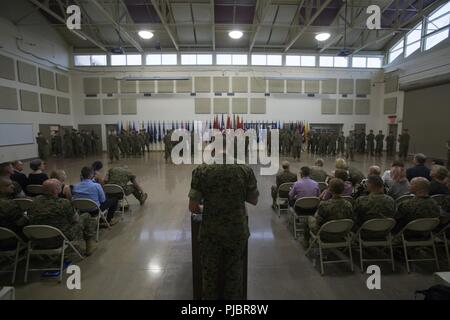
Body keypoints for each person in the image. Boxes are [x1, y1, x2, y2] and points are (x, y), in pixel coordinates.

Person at [188, 154, 259, 300]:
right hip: (236, 231)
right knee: (234, 276)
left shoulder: (201, 171)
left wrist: (206, 208)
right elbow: (253, 200)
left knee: (209, 277)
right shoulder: (245, 170)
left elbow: (193, 207)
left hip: (210, 233)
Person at [28, 179, 97, 255]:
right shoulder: (63, 203)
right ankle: (89, 246)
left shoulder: (33, 202)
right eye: (60, 186)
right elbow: (75, 220)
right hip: (60, 239)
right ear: (56, 191)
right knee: (86, 216)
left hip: (37, 240)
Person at [303, 178, 354, 245]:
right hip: (343, 234)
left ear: (329, 189)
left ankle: (306, 242)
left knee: (308, 219)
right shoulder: (349, 204)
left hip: (325, 234)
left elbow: (318, 221)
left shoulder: (324, 205)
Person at [0, 177, 28, 248]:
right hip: (11, 240)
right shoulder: (8, 204)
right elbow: (20, 223)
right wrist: (28, 215)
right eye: (8, 185)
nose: (13, 186)